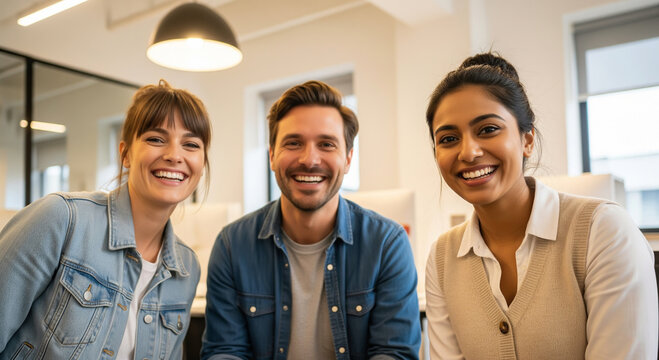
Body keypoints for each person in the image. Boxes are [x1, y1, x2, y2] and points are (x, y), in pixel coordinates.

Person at [423, 52, 658, 359]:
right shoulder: (442, 258)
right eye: (449, 138)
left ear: (527, 140)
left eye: (488, 129)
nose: (468, 152)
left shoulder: (603, 230)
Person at [201, 80, 421, 359]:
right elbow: (225, 352)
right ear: (271, 155)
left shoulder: (387, 243)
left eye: (326, 144)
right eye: (293, 143)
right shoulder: (232, 245)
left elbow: (394, 354)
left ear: (348, 159)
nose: (309, 159)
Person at [0, 80, 211, 359]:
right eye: (155, 139)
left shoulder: (186, 268)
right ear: (125, 153)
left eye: (191, 144)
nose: (174, 155)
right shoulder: (61, 219)